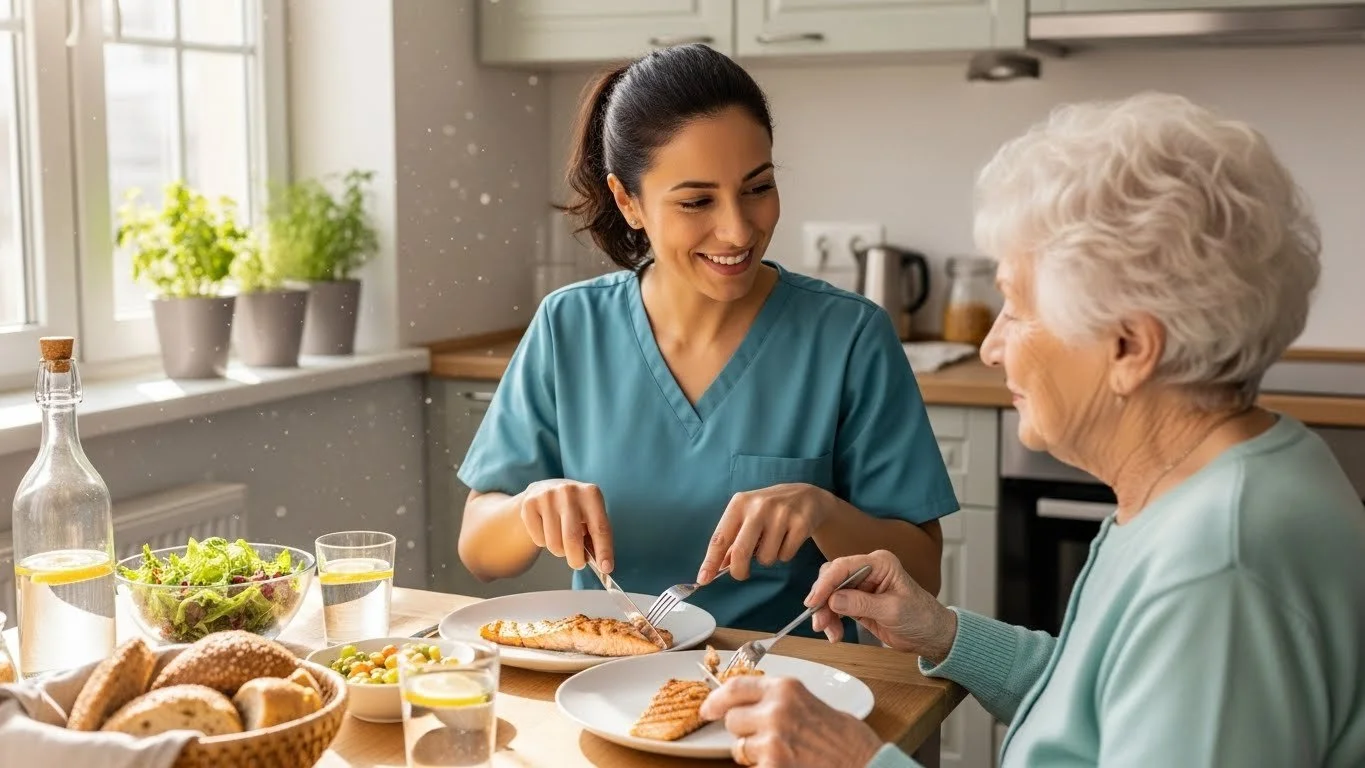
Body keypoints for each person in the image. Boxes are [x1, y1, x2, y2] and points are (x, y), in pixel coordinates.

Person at [699, 92, 1365, 766]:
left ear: (1129, 348)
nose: (990, 348)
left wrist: (855, 762)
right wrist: (941, 633)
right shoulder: (1218, 482)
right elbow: (1106, 697)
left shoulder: (1217, 570)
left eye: (1015, 308)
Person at [453, 44, 959, 636]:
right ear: (628, 201)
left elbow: (923, 572)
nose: (738, 229)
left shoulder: (849, 336)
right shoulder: (569, 327)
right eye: (697, 201)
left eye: (758, 187)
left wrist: (822, 510)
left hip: (791, 688)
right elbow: (480, 553)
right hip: (607, 682)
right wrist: (529, 506)